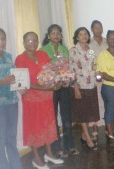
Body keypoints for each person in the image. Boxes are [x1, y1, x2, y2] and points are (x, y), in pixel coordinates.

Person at [15, 32, 63, 169]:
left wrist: (57, 80)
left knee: (47, 126)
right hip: (31, 99)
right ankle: (36, 158)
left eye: (35, 40)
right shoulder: (20, 59)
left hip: (46, 98)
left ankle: (49, 154)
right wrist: (44, 88)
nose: (33, 43)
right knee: (34, 128)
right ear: (24, 42)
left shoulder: (42, 55)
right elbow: (24, 82)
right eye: (29, 41)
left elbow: (51, 72)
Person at [40, 24, 79, 158]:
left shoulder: (64, 49)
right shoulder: (43, 50)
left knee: (67, 116)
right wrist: (54, 68)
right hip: (51, 88)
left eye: (58, 33)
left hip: (64, 86)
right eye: (54, 33)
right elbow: (44, 69)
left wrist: (64, 76)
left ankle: (69, 145)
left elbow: (67, 67)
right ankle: (57, 148)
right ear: (49, 35)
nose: (56, 36)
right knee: (53, 118)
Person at [69, 27, 99, 150]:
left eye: (85, 34)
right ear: (77, 37)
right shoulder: (73, 51)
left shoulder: (91, 50)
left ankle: (83, 135)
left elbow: (94, 64)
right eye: (80, 34)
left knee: (88, 112)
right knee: (82, 113)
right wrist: (75, 86)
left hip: (91, 84)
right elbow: (71, 70)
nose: (83, 36)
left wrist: (97, 76)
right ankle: (87, 137)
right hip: (80, 85)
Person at [0, 28, 22, 169]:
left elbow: (15, 77)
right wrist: (2, 81)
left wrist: (21, 86)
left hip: (12, 102)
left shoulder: (8, 56)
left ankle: (16, 166)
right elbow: (5, 80)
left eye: (3, 39)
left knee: (11, 138)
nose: (1, 42)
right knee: (0, 140)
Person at [89, 20, 108, 140]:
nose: (98, 30)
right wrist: (96, 73)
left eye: (100, 27)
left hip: (107, 77)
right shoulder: (89, 44)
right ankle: (94, 128)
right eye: (96, 28)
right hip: (94, 78)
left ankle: (107, 126)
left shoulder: (107, 42)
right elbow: (91, 60)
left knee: (106, 102)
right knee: (94, 103)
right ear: (92, 29)